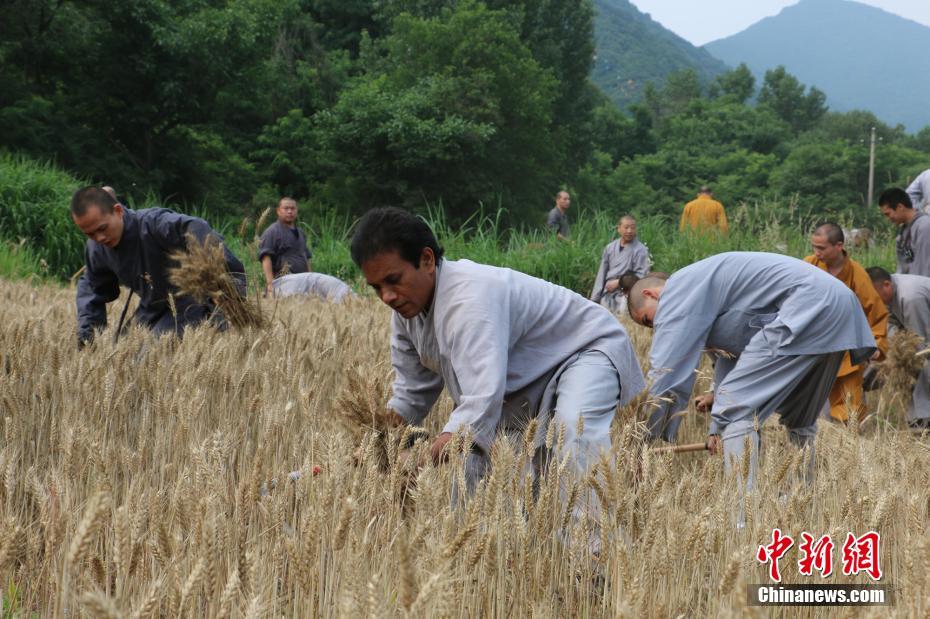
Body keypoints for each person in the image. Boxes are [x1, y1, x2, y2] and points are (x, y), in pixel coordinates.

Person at [351, 207, 645, 543]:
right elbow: (411, 394)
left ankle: (595, 558)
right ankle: (479, 570)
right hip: (525, 384)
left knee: (573, 431)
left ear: (427, 260)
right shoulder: (406, 313)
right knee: (475, 487)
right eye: (376, 288)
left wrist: (421, 456)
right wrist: (376, 444)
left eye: (393, 280)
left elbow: (481, 400)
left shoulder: (470, 300)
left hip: (586, 349)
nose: (387, 296)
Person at [628, 252, 875, 489]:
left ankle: (740, 519)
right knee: (801, 417)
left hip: (807, 306)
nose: (654, 328)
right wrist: (716, 429)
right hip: (838, 307)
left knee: (736, 412)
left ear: (651, 294)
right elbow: (733, 358)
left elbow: (666, 373)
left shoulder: (677, 290)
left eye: (648, 320)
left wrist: (641, 441)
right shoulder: (703, 299)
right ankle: (805, 497)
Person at [72, 186, 246, 347]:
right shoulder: (96, 249)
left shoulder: (153, 223)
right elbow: (93, 288)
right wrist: (87, 333)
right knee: (122, 352)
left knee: (147, 358)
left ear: (118, 211)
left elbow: (196, 227)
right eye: (90, 234)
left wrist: (228, 288)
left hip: (192, 303)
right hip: (152, 308)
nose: (99, 238)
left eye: (102, 228)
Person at [803, 223, 888, 422]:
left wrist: (875, 344)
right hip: (814, 345)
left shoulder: (857, 274)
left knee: (850, 408)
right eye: (814, 246)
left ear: (839, 245)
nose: (816, 252)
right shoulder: (809, 264)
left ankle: (849, 445)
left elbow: (875, 312)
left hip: (847, 349)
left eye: (821, 248)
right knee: (813, 407)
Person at [867, 267, 930, 431]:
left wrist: (897, 359)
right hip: (922, 332)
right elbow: (893, 325)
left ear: (887, 285)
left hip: (924, 335)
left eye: (874, 295)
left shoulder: (910, 298)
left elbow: (920, 341)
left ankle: (923, 418)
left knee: (918, 364)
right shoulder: (887, 294)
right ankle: (918, 418)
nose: (871, 300)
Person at [590, 215, 651, 313]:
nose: (629, 231)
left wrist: (619, 282)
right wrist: (594, 299)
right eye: (626, 227)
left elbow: (641, 276)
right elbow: (601, 274)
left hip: (627, 294)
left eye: (632, 227)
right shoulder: (610, 247)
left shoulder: (640, 250)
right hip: (607, 293)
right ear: (619, 228)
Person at [259, 197, 312, 296]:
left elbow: (307, 258)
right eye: (286, 208)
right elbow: (266, 258)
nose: (290, 211)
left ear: (296, 211)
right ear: (278, 211)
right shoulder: (272, 231)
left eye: (293, 208)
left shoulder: (301, 233)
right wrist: (270, 284)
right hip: (284, 284)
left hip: (303, 283)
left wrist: (311, 279)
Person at [879, 187, 930, 277]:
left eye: (888, 214)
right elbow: (903, 265)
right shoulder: (902, 234)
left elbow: (924, 268)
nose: (887, 219)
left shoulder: (924, 226)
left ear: (900, 207)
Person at [272, 272, 355, 302]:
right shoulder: (344, 293)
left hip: (304, 279)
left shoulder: (344, 293)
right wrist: (269, 283)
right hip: (294, 282)